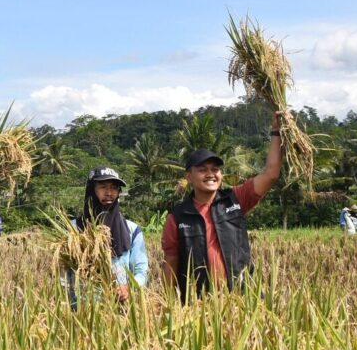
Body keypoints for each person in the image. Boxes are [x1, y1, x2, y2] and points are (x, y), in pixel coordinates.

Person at [161, 112, 284, 302]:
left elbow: (271, 174)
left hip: (242, 299)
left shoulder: (236, 199)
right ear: (189, 177)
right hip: (199, 305)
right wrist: (169, 304)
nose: (210, 174)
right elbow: (171, 262)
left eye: (215, 169)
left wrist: (276, 132)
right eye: (202, 170)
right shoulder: (177, 217)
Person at [64, 166, 148, 309]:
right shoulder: (72, 230)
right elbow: (64, 273)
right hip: (83, 310)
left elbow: (141, 270)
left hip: (120, 308)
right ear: (92, 190)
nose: (109, 193)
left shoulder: (132, 230)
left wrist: (129, 287)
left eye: (114, 188)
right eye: (103, 187)